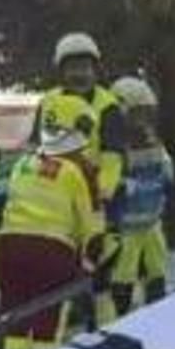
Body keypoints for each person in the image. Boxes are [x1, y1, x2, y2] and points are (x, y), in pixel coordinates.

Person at [0, 97, 101, 349]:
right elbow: (94, 228)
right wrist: (89, 267)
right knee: (48, 324)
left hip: (9, 248)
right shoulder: (81, 170)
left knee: (14, 322)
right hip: (51, 251)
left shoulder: (23, 163)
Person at [39, 33, 126, 318]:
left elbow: (114, 154)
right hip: (55, 198)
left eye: (85, 66)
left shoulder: (108, 105)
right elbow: (36, 147)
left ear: (95, 69)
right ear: (61, 70)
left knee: (98, 270)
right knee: (59, 267)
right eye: (73, 67)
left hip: (93, 197)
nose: (79, 74)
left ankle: (105, 330)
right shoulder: (48, 101)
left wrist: (103, 191)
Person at [108, 76, 174, 312]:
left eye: (146, 113)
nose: (142, 120)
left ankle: (156, 314)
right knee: (123, 275)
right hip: (125, 227)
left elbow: (167, 175)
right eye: (137, 114)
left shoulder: (154, 142)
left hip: (152, 223)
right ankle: (120, 318)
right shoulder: (113, 146)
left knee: (157, 271)